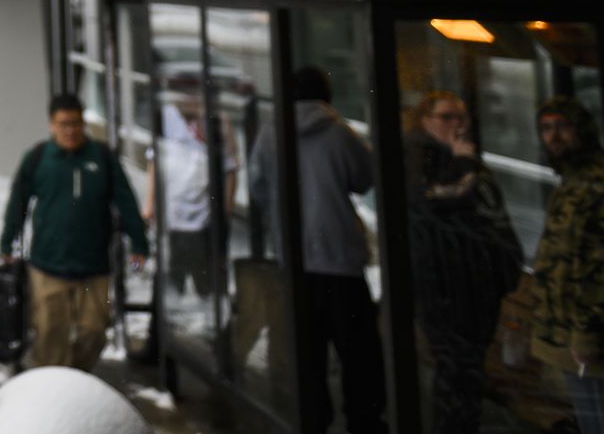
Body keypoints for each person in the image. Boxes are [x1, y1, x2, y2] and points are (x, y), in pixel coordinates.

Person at [248, 66, 388, 434]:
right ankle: (364, 422)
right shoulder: (340, 134)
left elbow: (258, 189)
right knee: (359, 355)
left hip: (295, 264)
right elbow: (365, 179)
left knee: (307, 354)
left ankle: (313, 420)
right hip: (340, 259)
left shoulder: (268, 134)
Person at [0, 92, 150, 371]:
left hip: (94, 267)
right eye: (64, 124)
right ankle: (54, 392)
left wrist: (139, 243)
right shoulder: (38, 158)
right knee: (49, 335)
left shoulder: (102, 158)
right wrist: (8, 242)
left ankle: (77, 381)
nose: (70, 130)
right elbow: (17, 202)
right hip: (47, 266)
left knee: (95, 330)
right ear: (51, 125)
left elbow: (126, 202)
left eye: (76, 123)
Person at [401, 90, 522, 434]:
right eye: (447, 117)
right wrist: (463, 163)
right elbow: (434, 200)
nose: (457, 125)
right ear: (425, 121)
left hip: (476, 284)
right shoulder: (421, 155)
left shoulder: (456, 154)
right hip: (446, 286)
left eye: (461, 117)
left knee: (468, 373)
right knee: (457, 374)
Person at [529, 97, 604, 434]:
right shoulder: (572, 181)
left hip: (597, 340)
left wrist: (587, 331)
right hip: (571, 336)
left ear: (581, 131)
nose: (554, 137)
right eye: (546, 129)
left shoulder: (599, 182)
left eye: (562, 127)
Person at [144, 90, 237, 309]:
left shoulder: (217, 121)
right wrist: (149, 206)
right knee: (170, 287)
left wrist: (226, 211)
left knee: (209, 288)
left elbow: (230, 168)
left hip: (205, 222)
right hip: (172, 220)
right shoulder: (165, 118)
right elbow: (153, 164)